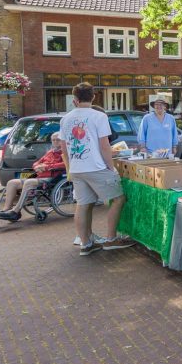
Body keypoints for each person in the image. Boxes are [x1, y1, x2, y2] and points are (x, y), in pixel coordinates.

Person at [59, 83, 135, 255]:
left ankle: (85, 244)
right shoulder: (99, 117)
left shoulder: (65, 119)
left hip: (77, 168)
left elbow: (64, 149)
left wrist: (70, 169)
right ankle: (110, 239)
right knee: (118, 199)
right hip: (96, 167)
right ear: (93, 97)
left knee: (83, 204)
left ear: (75, 99)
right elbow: (104, 146)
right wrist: (111, 167)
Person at [0, 133, 66, 221]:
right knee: (12, 183)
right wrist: (37, 166)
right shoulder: (50, 152)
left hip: (52, 177)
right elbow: (36, 163)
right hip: (39, 175)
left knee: (28, 182)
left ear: (62, 141)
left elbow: (65, 164)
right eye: (53, 140)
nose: (55, 142)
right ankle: (7, 209)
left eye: (58, 140)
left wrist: (47, 167)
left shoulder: (65, 152)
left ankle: (15, 211)